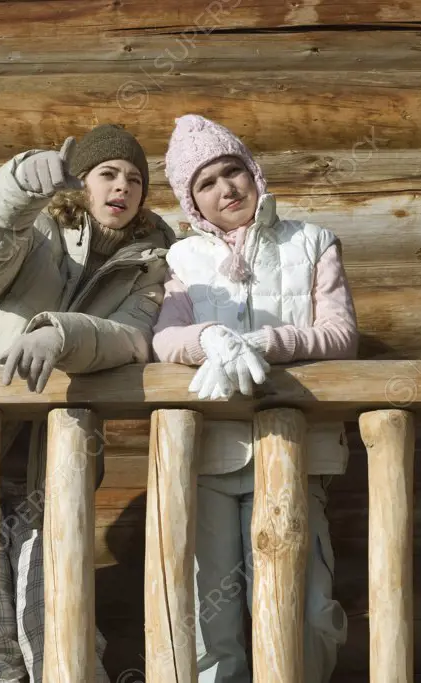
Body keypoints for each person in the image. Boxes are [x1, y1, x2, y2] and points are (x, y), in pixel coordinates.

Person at [0, 124, 175, 682]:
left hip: (57, 462)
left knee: (54, 617)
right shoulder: (42, 228)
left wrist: (58, 334)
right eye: (107, 174)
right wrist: (19, 182)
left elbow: (131, 338)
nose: (121, 187)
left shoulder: (151, 264)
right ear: (83, 182)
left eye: (133, 179)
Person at [152, 114, 356, 682]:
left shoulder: (312, 242)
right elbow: (163, 339)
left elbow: (340, 336)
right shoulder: (181, 261)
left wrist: (268, 341)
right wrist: (209, 338)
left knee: (307, 608)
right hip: (212, 461)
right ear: (193, 203)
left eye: (232, 172)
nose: (226, 190)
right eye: (207, 184)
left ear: (253, 172)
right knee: (209, 624)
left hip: (294, 451)